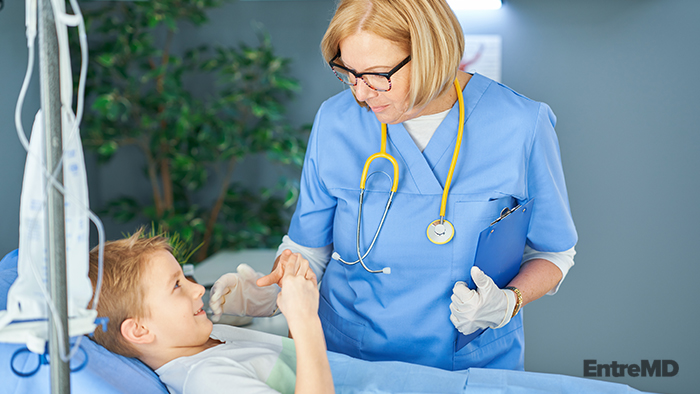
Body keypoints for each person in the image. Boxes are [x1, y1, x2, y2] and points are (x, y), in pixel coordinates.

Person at [210, 0, 577, 371]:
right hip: (347, 359)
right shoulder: (336, 121)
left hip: (467, 365)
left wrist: (508, 301)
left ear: (431, 53)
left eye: (377, 75)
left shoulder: (520, 124)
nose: (360, 94)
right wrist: (269, 292)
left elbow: (554, 253)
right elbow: (310, 250)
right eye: (348, 73)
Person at [86, 230, 334, 394]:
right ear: (139, 330)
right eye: (176, 285)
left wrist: (278, 299)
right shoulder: (207, 380)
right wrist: (305, 320)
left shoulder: (206, 340)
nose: (196, 288)